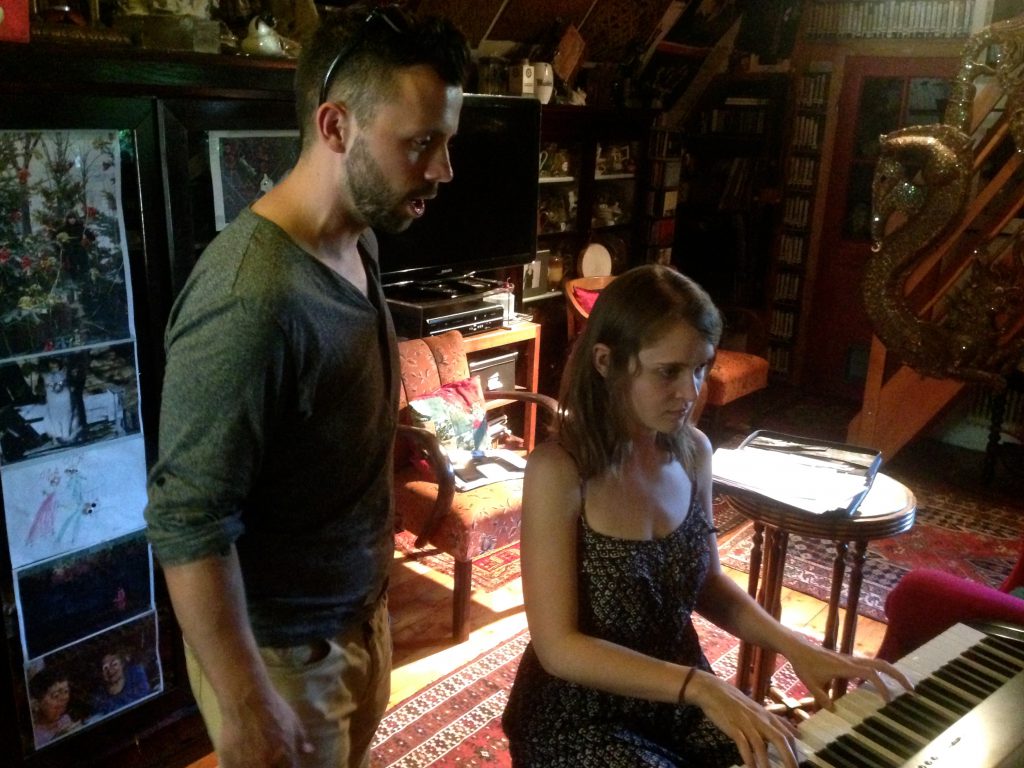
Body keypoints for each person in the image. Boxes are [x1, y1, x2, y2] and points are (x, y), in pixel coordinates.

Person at [143, 7, 469, 768]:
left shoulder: (360, 240)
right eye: (420, 143)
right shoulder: (249, 298)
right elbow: (188, 518)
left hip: (358, 618)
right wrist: (248, 702)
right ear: (335, 127)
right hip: (284, 658)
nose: (443, 169)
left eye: (446, 141)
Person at [501, 265, 912, 768]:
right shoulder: (560, 469)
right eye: (668, 372)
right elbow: (559, 648)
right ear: (606, 362)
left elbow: (708, 584)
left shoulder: (693, 451)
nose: (691, 391)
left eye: (700, 368)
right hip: (579, 714)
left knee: (788, 759)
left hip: (679, 695)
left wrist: (796, 647)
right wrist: (702, 687)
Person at [29, 667, 81, 747]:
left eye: (66, 691)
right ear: (37, 702)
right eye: (56, 696)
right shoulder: (34, 736)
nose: (64, 698)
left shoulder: (65, 719)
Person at [89, 650, 151, 716]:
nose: (110, 670)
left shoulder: (135, 673)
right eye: (105, 668)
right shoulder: (99, 696)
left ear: (122, 664)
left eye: (114, 664)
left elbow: (144, 696)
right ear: (101, 674)